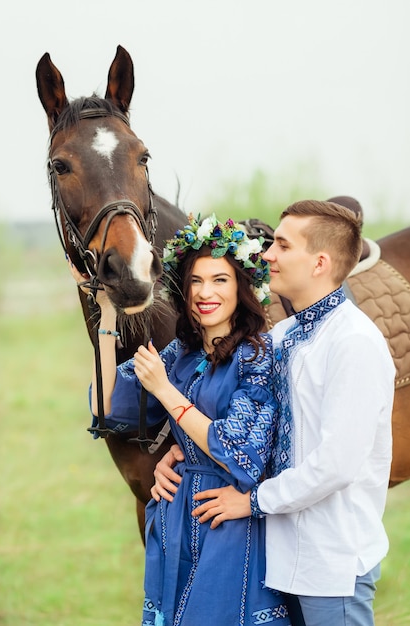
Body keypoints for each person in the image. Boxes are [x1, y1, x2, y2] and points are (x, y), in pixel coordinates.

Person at [152, 200, 395, 626]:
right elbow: (249, 414)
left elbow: (335, 465)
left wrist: (251, 501)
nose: (267, 254)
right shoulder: (284, 334)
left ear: (319, 263)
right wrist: (180, 448)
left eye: (282, 245)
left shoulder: (352, 342)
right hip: (279, 558)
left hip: (329, 561)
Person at [70, 214, 292, 626]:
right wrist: (105, 320)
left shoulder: (257, 358)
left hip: (227, 519)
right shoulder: (178, 356)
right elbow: (105, 406)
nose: (206, 293)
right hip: (175, 515)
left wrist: (166, 393)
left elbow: (240, 454)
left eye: (220, 280)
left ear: (241, 289)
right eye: (195, 281)